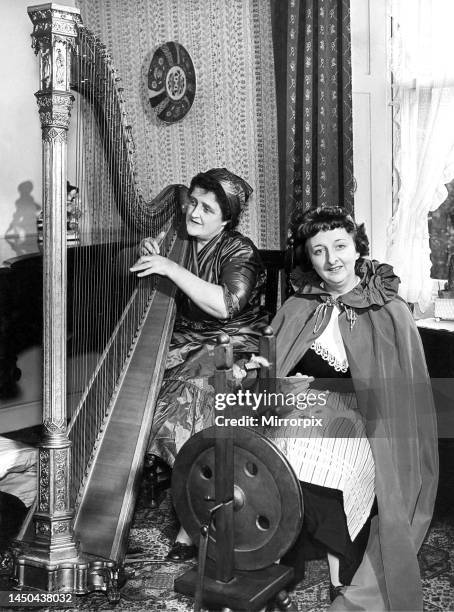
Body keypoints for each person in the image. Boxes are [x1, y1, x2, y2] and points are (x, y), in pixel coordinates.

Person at [264, 206, 438, 610]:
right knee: (275, 451)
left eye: (340, 246)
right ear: (309, 258)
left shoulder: (389, 310)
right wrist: (270, 379)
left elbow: (401, 395)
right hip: (301, 413)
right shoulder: (299, 305)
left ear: (357, 248)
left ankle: (341, 569)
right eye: (319, 251)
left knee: (327, 463)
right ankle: (271, 554)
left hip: (367, 421)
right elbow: (273, 371)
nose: (332, 260)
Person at [130, 167, 267, 561]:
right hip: (186, 344)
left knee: (178, 402)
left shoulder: (240, 251)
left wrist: (171, 269)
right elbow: (143, 268)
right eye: (192, 201)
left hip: (235, 349)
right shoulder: (179, 240)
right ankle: (177, 492)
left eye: (207, 208)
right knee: (137, 389)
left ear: (227, 219)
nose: (194, 212)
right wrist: (145, 252)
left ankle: (197, 519)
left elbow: (226, 305)